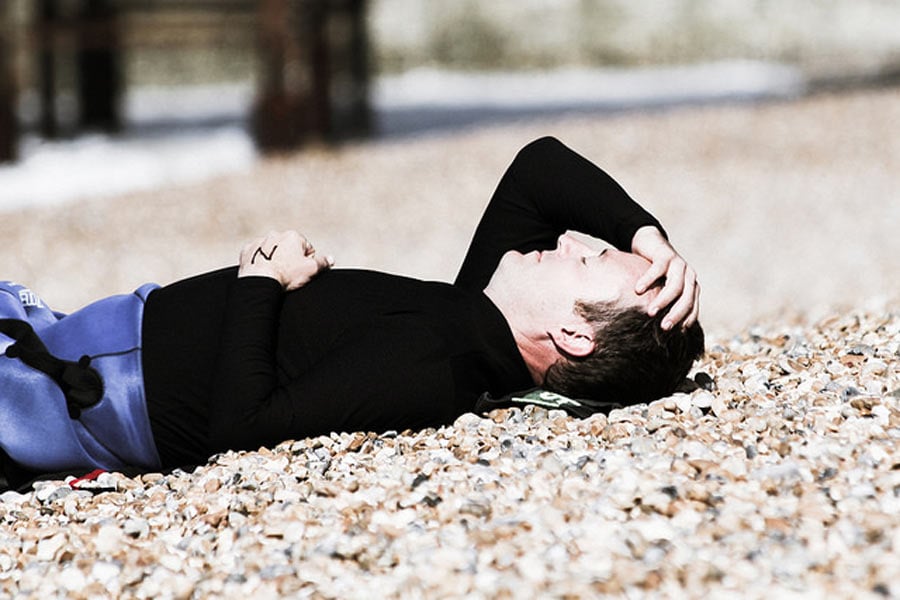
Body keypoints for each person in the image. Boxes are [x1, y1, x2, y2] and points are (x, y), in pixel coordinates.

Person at [0, 136, 702, 487]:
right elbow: (538, 168)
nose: (572, 241)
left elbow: (240, 430)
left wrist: (263, 280)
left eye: (590, 261)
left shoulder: (433, 363)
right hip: (78, 344)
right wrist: (649, 239)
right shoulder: (472, 316)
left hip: (74, 395)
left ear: (573, 334)